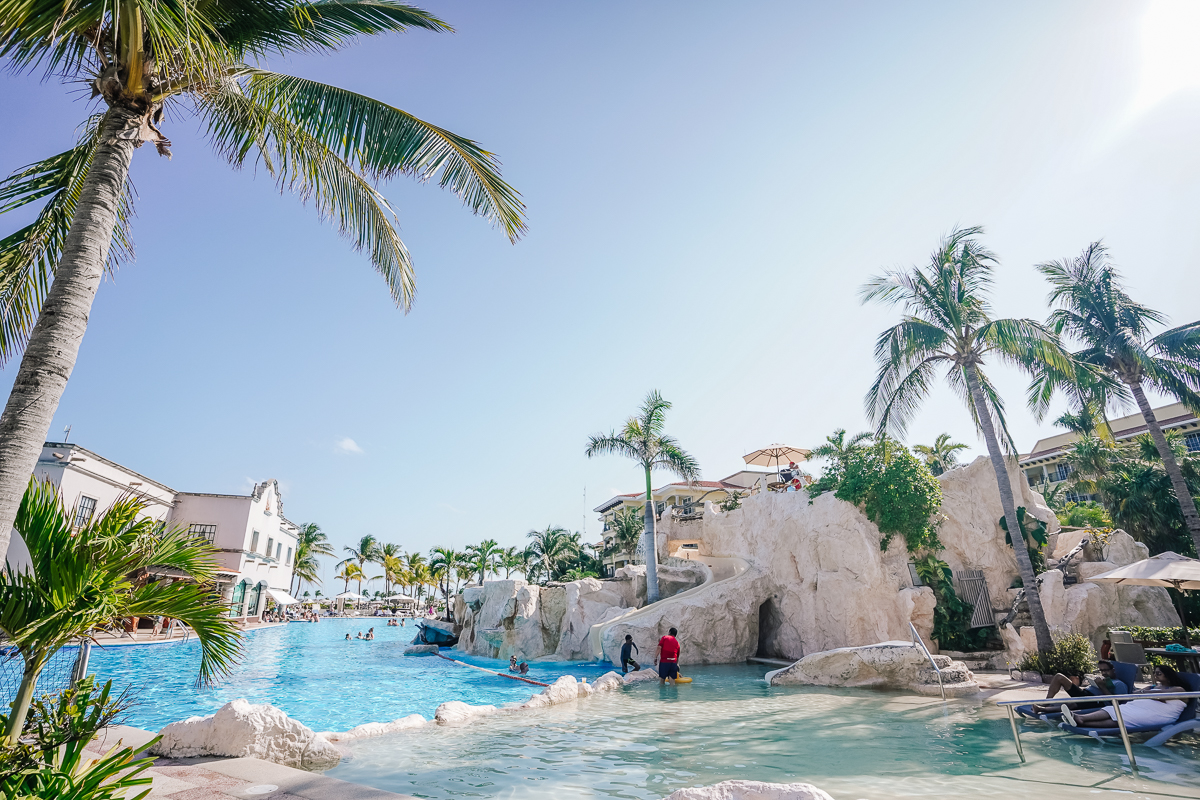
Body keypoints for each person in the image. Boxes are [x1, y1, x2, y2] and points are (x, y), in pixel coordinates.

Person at [1061, 665, 1187, 729]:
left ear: (1168, 675)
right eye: (1155, 673)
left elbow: (1161, 696)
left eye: (1159, 673)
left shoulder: (1179, 689)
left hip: (1158, 716)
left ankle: (1080, 719)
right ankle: (1080, 719)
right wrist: (1146, 692)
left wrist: (1146, 692)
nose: (1156, 675)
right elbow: (1134, 694)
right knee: (1113, 710)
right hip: (1138, 708)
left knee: (1124, 718)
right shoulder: (1153, 687)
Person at [1032, 660, 1124, 714]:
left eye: (1106, 670)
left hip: (1097, 701)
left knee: (1074, 704)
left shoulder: (1119, 684)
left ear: (1113, 670)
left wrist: (1102, 687)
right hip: (1085, 693)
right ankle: (1047, 702)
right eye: (1101, 671)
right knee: (1059, 677)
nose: (1103, 673)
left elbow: (1116, 703)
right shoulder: (1102, 678)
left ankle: (1041, 709)